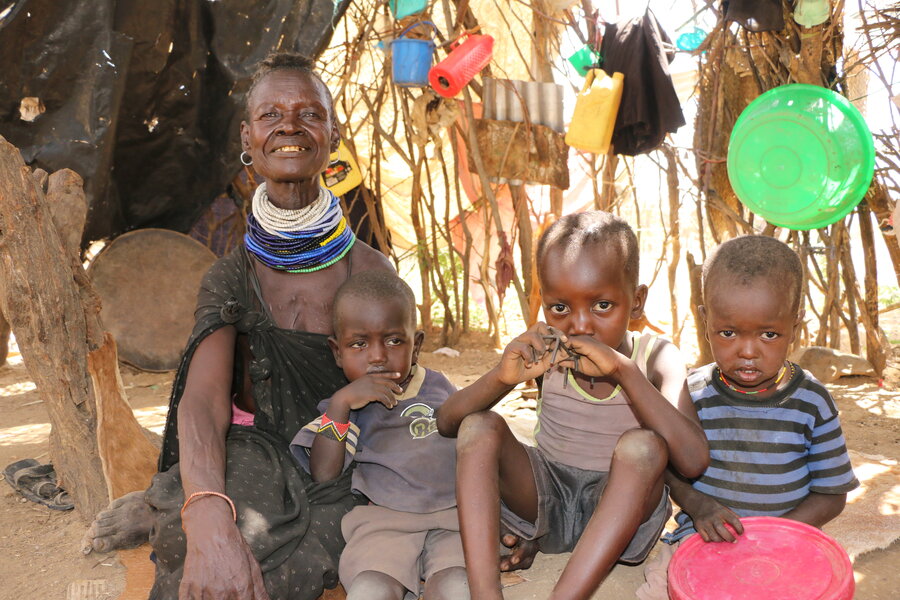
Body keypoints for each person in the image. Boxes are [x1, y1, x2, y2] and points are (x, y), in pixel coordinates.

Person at [82, 52, 394, 599]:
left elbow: (398, 389)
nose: (290, 126)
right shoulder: (230, 275)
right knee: (196, 535)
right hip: (253, 455)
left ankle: (172, 510)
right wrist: (206, 512)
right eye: (271, 115)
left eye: (309, 114)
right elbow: (202, 402)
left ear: (331, 133)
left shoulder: (370, 271)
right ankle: (179, 508)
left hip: (342, 462)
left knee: (318, 545)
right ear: (248, 138)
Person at [436, 211, 710, 600]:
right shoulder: (546, 350)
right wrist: (502, 377)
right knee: (478, 426)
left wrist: (625, 372)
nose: (579, 326)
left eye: (601, 305)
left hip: (619, 515)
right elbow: (448, 423)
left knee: (644, 446)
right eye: (559, 308)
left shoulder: (656, 357)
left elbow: (693, 460)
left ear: (636, 302)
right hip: (546, 502)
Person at [636, 235, 859, 600]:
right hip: (703, 540)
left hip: (786, 544)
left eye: (770, 334)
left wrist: (776, 534)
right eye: (728, 333)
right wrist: (697, 505)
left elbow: (832, 494)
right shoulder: (689, 394)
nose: (749, 351)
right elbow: (667, 469)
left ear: (796, 325)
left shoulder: (812, 402)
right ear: (705, 320)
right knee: (663, 588)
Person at [290, 271, 469, 600]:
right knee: (370, 591)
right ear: (337, 352)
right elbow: (323, 472)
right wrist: (342, 404)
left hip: (453, 519)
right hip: (384, 522)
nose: (377, 355)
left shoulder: (440, 388)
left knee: (458, 588)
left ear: (417, 346)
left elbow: (477, 446)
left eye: (393, 340)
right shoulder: (343, 407)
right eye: (359, 344)